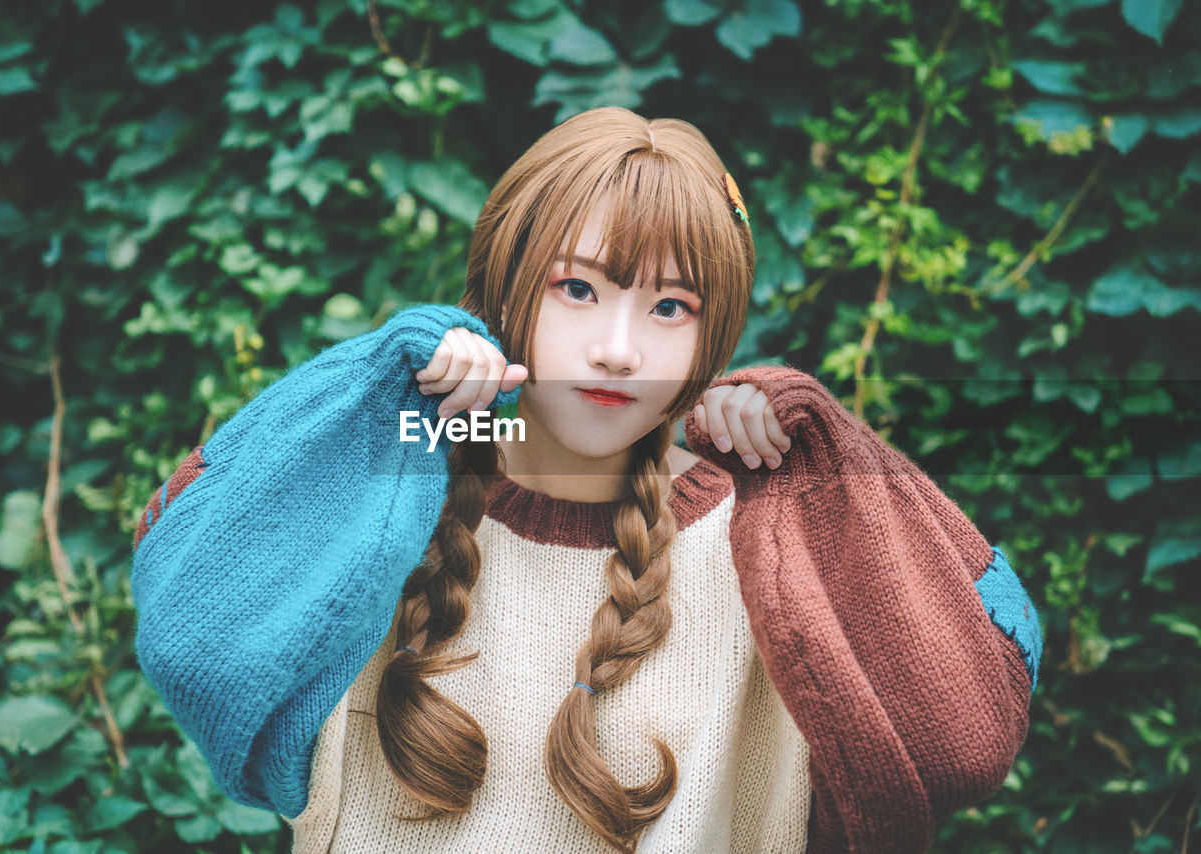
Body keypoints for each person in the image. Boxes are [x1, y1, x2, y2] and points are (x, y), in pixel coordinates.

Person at [130, 107, 1043, 854]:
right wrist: (376, 391)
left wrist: (823, 463)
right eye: (579, 289)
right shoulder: (392, 492)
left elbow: (968, 728)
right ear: (509, 288)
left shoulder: (757, 531)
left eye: (671, 306)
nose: (618, 345)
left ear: (710, 337)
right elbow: (190, 627)